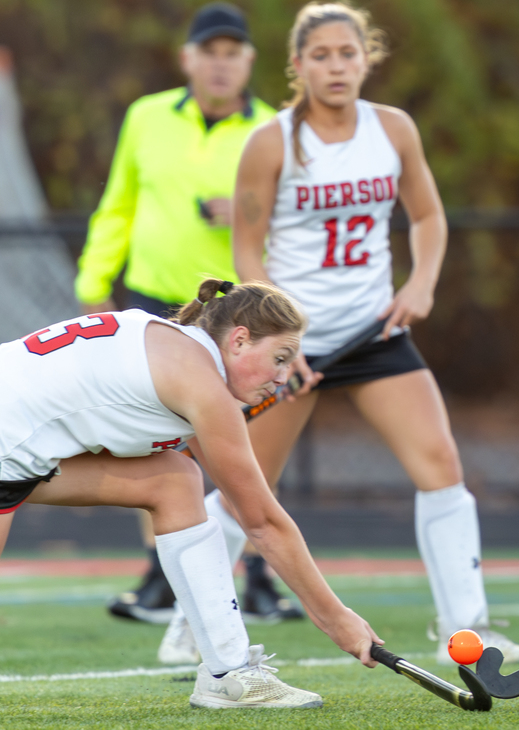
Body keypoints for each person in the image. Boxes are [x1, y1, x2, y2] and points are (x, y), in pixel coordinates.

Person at [157, 1, 519, 666]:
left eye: (348, 53)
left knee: (442, 466)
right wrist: (281, 337)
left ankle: (469, 629)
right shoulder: (271, 141)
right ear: (298, 65)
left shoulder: (392, 129)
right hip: (294, 344)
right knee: (250, 486)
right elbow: (246, 248)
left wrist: (421, 282)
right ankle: (192, 623)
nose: (336, 67)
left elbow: (427, 215)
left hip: (375, 333)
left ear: (367, 59)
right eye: (321, 55)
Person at [0, 279, 380, 708]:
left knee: (175, 480)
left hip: (18, 452)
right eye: (279, 358)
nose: (282, 376)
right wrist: (334, 617)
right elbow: (262, 522)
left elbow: (238, 499)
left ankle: (228, 675)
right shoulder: (202, 385)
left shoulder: (185, 354)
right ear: (239, 340)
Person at [75, 2, 298, 625]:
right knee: (156, 445)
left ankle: (254, 576)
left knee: (246, 447)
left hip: (240, 313)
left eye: (233, 53)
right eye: (210, 51)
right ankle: (162, 579)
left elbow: (300, 221)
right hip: (156, 307)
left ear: (250, 61)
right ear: (188, 58)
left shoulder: (273, 128)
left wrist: (251, 213)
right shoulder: (147, 117)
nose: (220, 64)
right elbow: (117, 205)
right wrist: (95, 285)